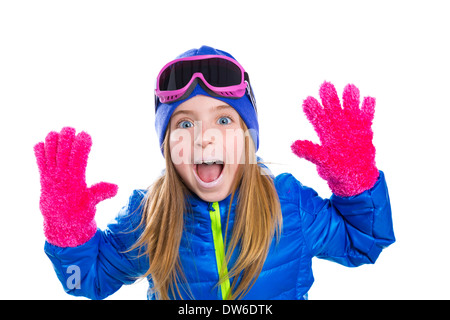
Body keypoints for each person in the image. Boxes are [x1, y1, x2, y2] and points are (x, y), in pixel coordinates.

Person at [34, 45, 395, 300]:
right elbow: (84, 281)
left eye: (223, 119)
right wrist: (69, 231)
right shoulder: (150, 216)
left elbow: (364, 243)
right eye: (185, 123)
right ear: (168, 148)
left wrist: (356, 183)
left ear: (247, 137)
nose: (204, 139)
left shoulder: (289, 205)